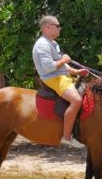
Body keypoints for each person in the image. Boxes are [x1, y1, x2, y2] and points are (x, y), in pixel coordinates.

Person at [32, 15, 89, 149]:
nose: (60, 28)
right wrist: (63, 60)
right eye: (57, 26)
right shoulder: (42, 45)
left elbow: (61, 65)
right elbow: (49, 67)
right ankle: (66, 137)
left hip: (61, 76)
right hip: (52, 78)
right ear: (48, 27)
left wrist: (75, 71)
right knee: (76, 100)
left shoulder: (53, 43)